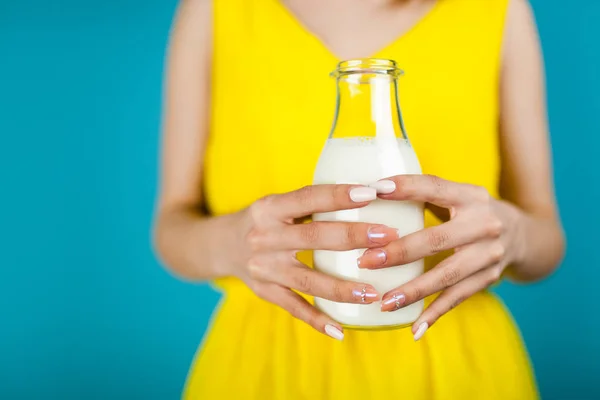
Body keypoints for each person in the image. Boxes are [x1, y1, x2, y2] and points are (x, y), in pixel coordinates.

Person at [153, 0, 565, 398]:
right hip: (265, 368)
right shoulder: (214, 8)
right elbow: (171, 227)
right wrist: (233, 243)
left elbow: (546, 237)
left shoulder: (496, 9)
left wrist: (511, 235)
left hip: (455, 365)